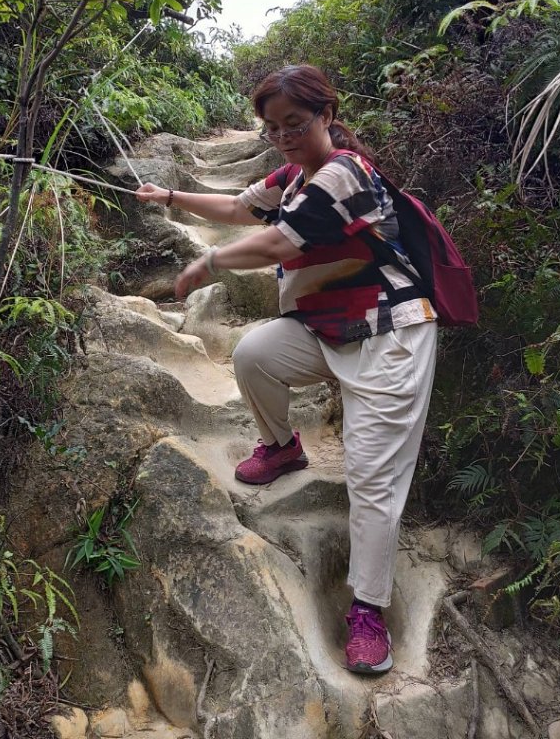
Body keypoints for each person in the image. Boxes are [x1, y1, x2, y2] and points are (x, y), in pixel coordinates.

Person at [135, 63, 438, 676]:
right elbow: (239, 207)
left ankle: (369, 610)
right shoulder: (294, 176)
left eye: (295, 123)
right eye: (272, 127)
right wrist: (170, 197)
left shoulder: (344, 173)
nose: (283, 136)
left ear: (327, 116)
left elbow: (277, 244)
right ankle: (283, 447)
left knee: (372, 479)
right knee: (253, 354)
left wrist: (210, 263)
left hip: (389, 337)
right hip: (327, 330)